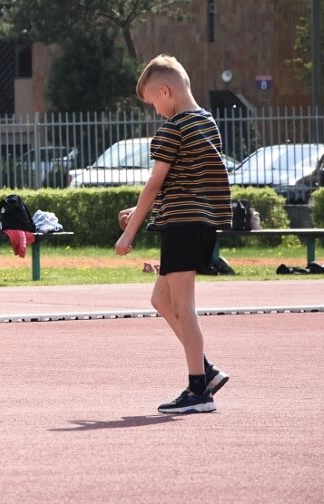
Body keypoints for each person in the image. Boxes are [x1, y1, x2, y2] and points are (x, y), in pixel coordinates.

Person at [115, 54, 232, 413]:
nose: (156, 112)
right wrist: (139, 212)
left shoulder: (173, 127)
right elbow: (187, 178)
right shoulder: (207, 122)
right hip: (200, 223)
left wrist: (129, 233)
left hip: (182, 226)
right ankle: (206, 370)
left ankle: (199, 390)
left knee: (185, 307)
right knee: (161, 301)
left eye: (154, 103)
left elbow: (155, 184)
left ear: (165, 91)